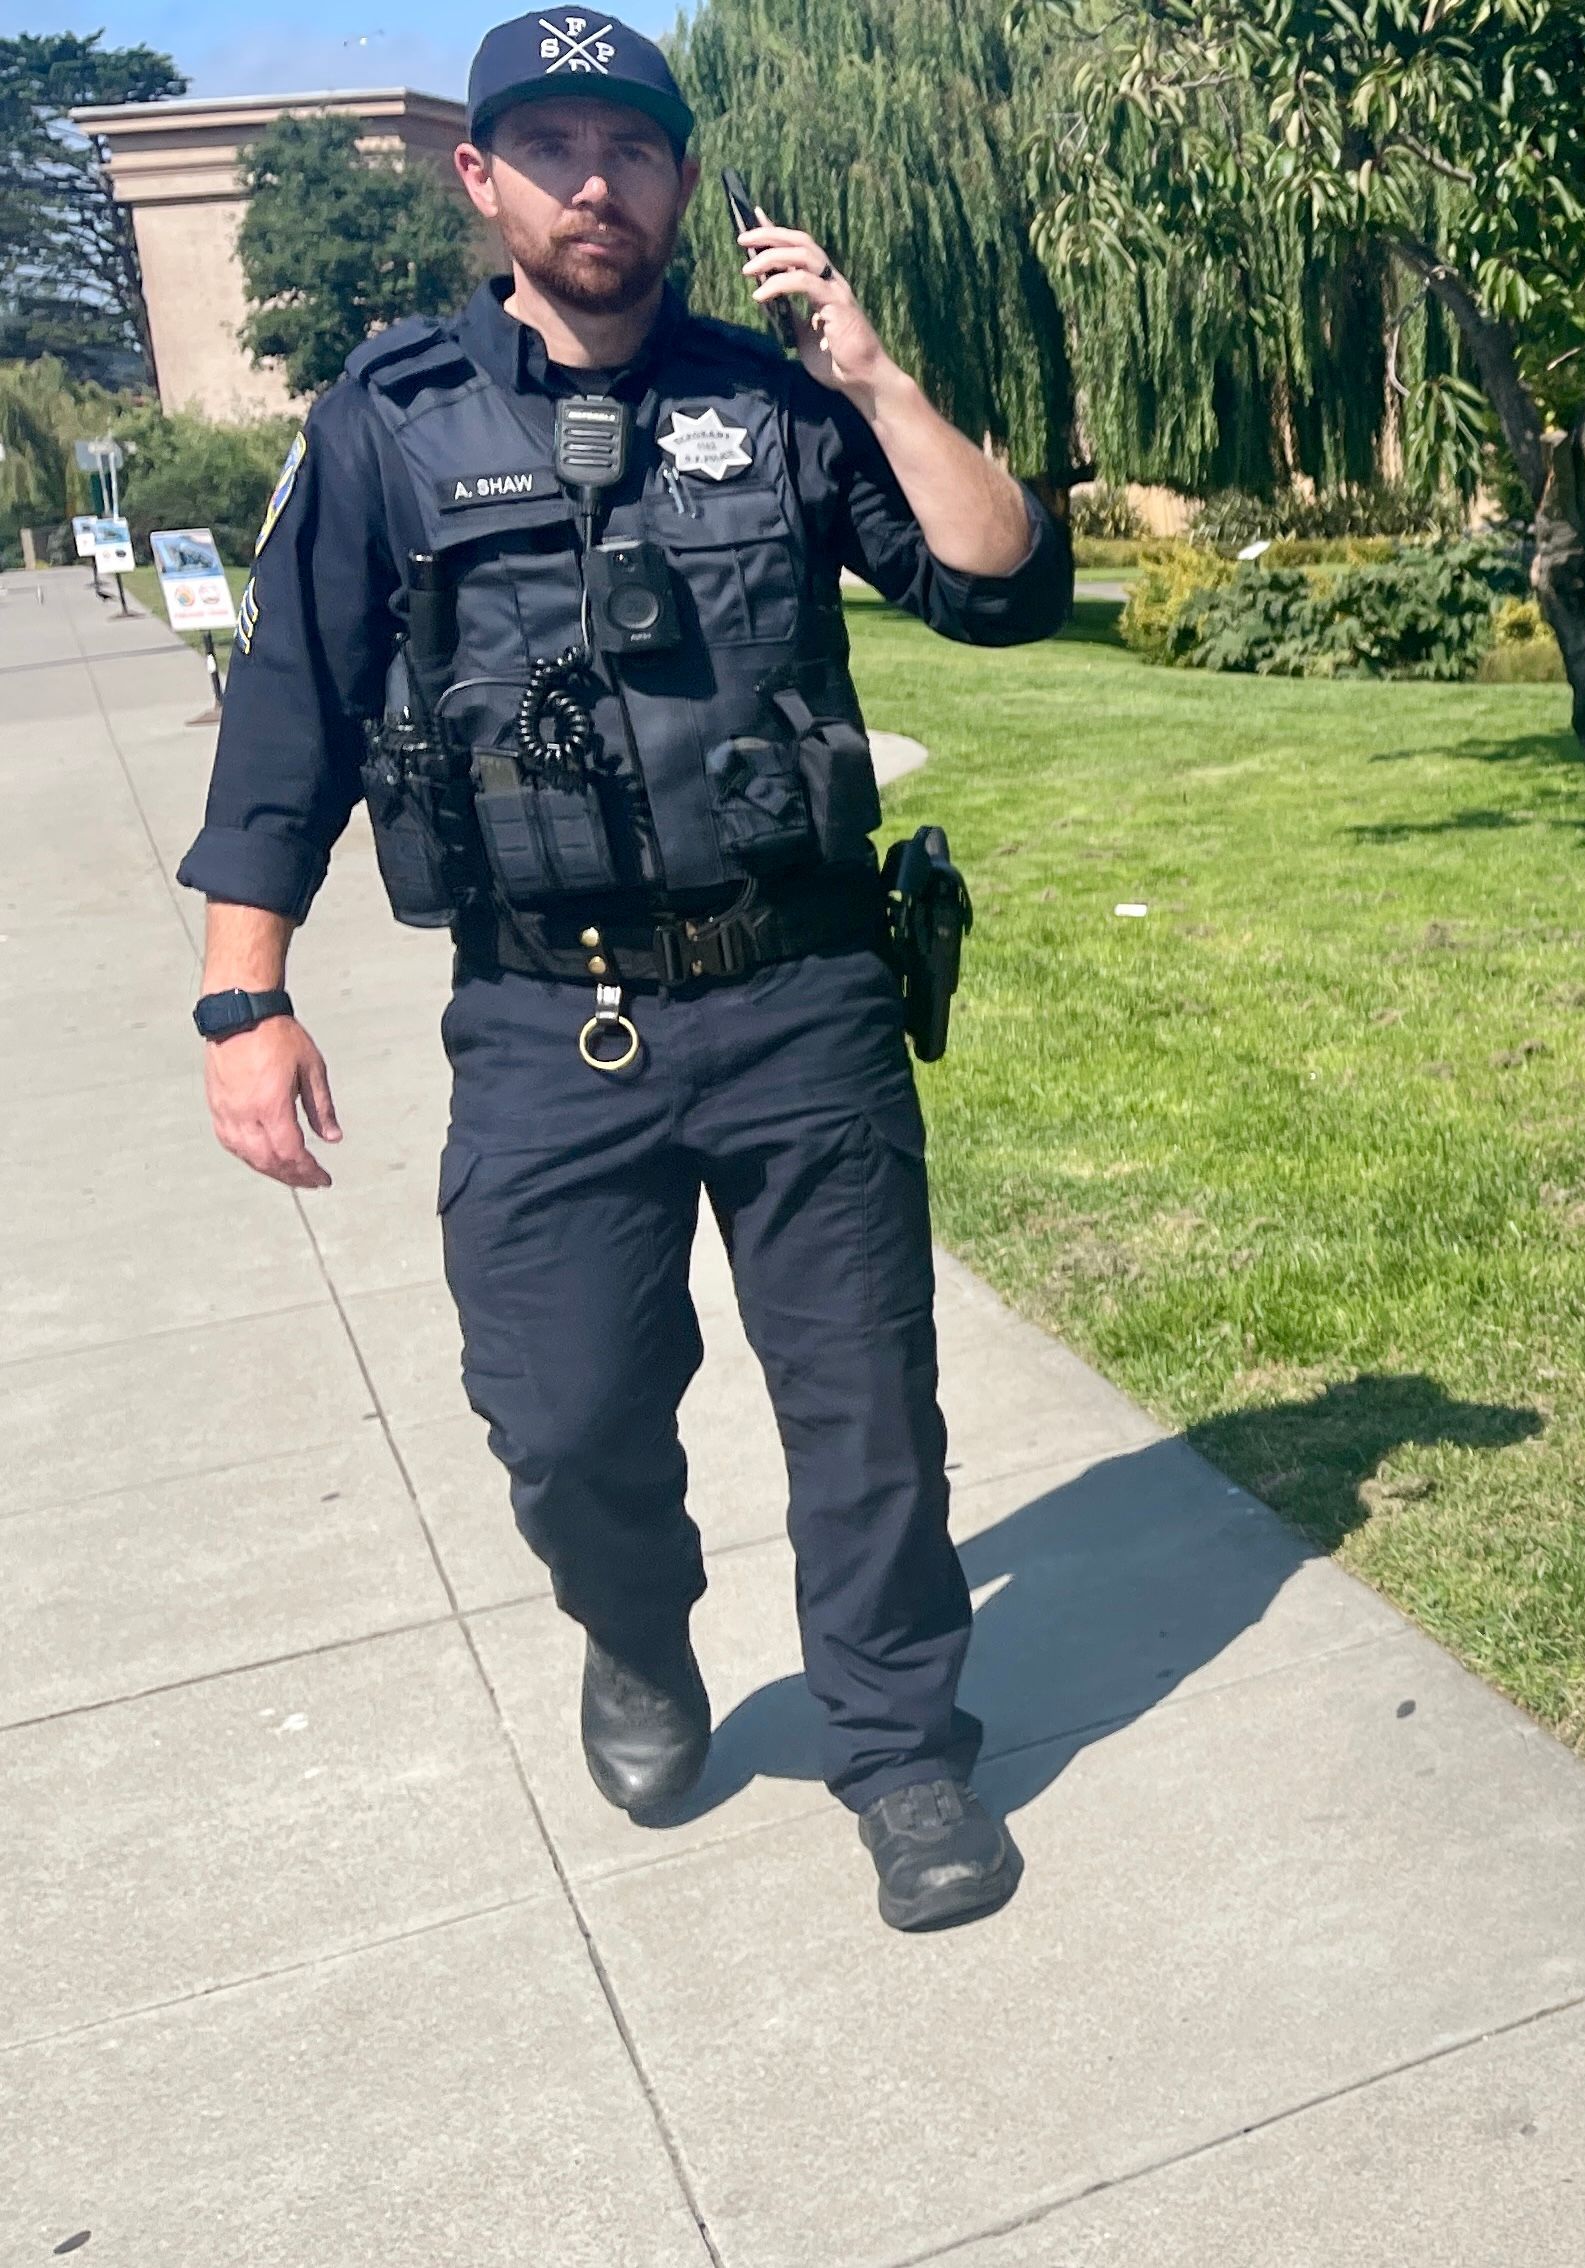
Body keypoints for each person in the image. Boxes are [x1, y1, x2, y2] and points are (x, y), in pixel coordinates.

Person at [182, 10, 1071, 1931]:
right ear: (481, 176)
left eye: (636, 147)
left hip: (803, 992)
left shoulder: (779, 401)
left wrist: (876, 370)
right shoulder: (388, 422)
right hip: (539, 1009)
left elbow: (1004, 588)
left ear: (681, 178)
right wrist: (242, 999)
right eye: (554, 146)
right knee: (567, 1412)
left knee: (866, 1404)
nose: (599, 182)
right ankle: (637, 1632)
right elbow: (287, 726)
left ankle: (905, 1748)